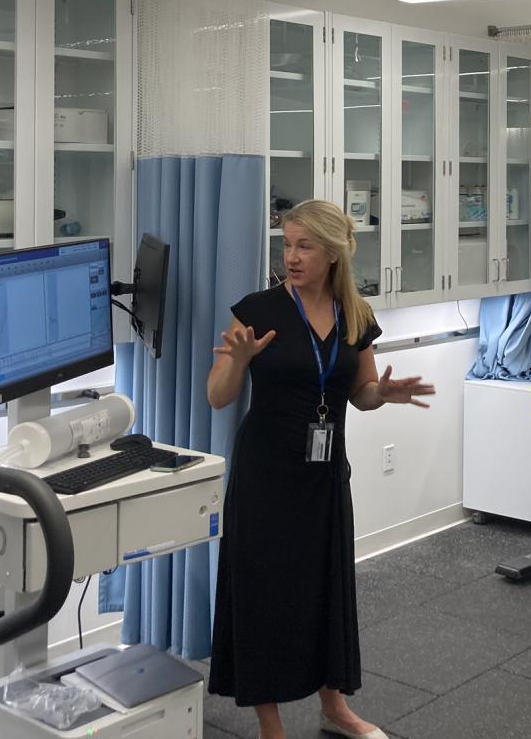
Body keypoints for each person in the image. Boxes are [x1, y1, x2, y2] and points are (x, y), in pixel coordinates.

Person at [207, 199, 435, 739]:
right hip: (265, 475)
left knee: (323, 587)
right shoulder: (255, 311)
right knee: (264, 590)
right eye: (286, 244)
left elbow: (361, 393)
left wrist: (387, 393)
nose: (292, 256)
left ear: (333, 254)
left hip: (325, 473)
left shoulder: (355, 315)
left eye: (304, 246)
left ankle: (335, 708)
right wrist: (238, 361)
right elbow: (218, 396)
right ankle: (271, 724)